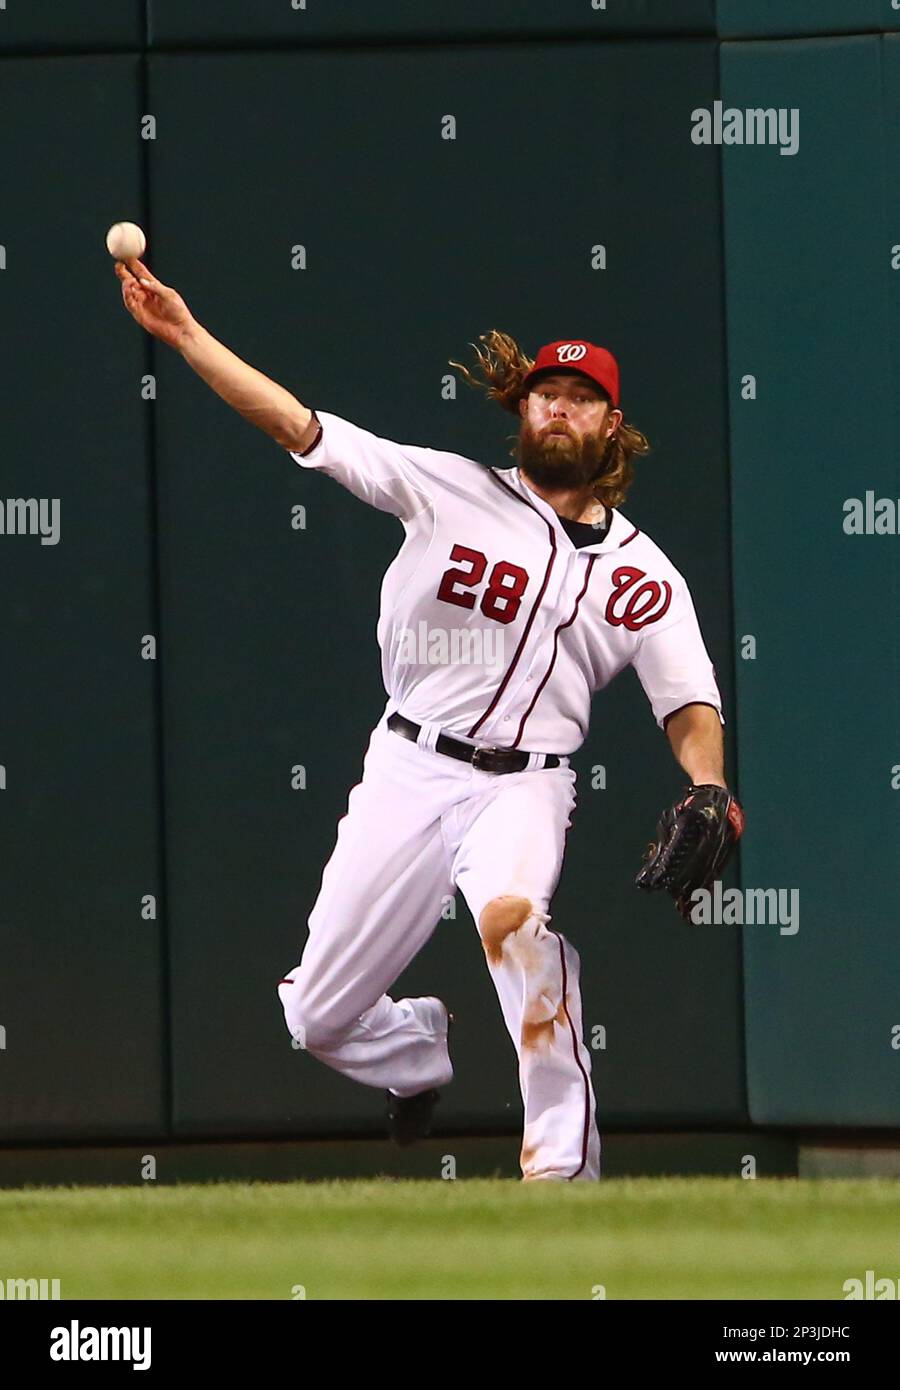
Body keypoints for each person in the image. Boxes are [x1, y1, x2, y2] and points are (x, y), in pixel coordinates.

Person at [115, 261, 731, 1181]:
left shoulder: (646, 572)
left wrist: (709, 783)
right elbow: (300, 426)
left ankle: (562, 1180)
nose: (558, 409)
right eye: (543, 394)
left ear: (611, 426)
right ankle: (415, 1050)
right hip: (408, 768)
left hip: (526, 784)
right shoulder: (443, 488)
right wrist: (187, 334)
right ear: (520, 413)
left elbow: (687, 700)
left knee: (517, 930)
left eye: (579, 398)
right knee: (316, 1015)